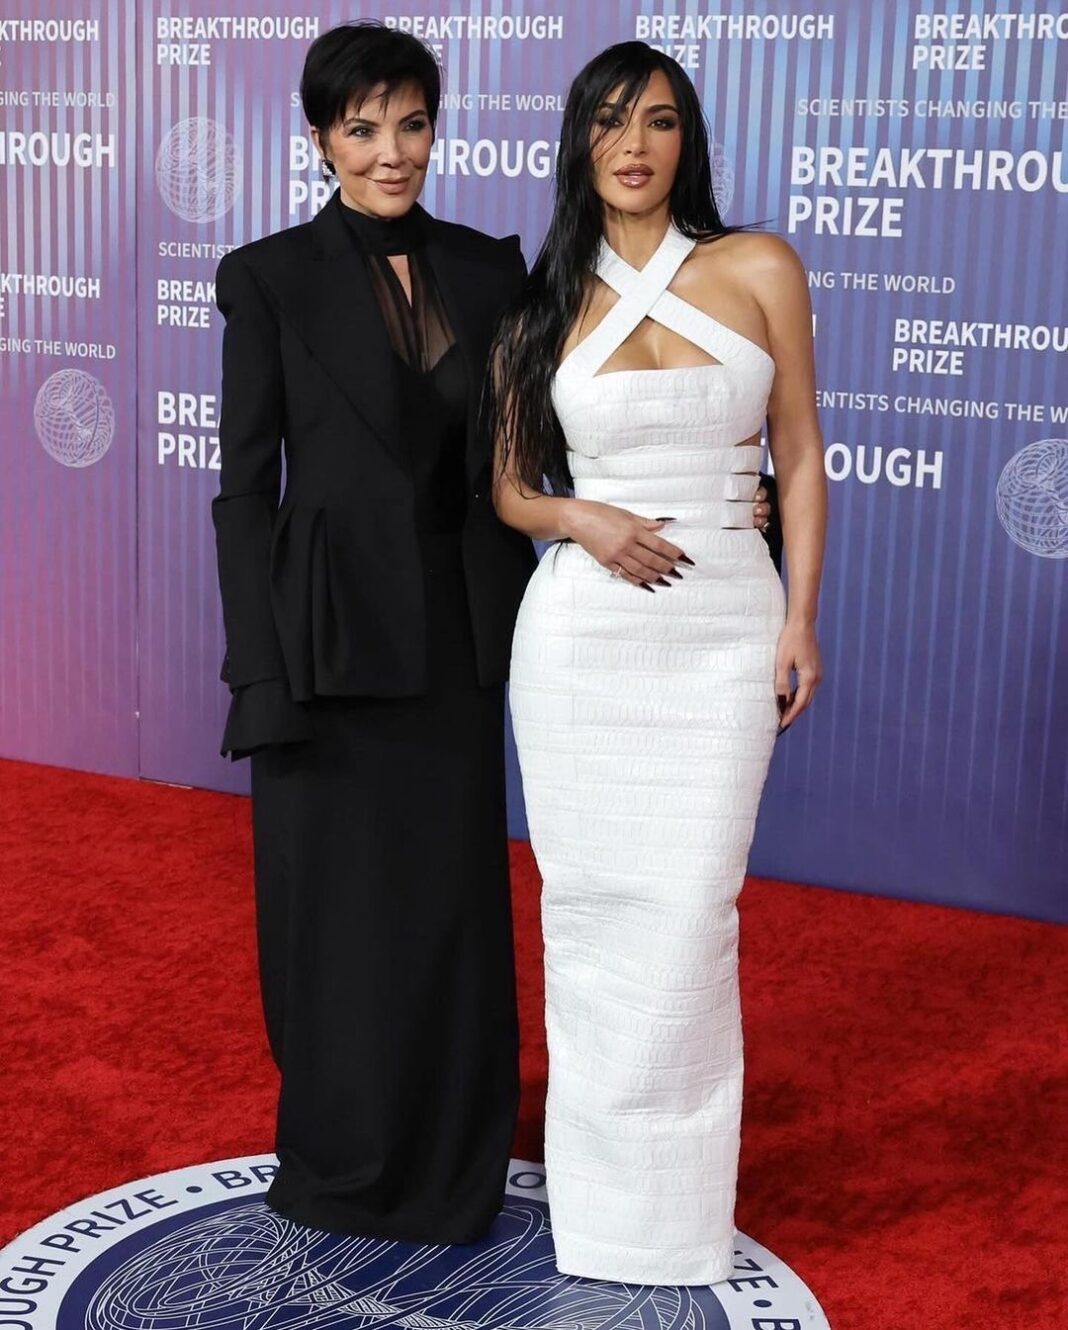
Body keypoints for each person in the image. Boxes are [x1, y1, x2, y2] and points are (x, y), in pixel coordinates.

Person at [491, 42, 826, 1285]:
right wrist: (584, 518)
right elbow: (514, 489)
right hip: (583, 638)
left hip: (723, 624)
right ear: (580, 143)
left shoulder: (757, 267)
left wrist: (798, 619)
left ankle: (676, 1216)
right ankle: (605, 1218)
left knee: (692, 908)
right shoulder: (544, 298)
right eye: (612, 123)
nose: (636, 145)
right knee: (588, 915)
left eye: (662, 122)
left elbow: (798, 453)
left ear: (689, 142)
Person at [211, 21, 536, 1243]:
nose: (391, 152)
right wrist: (258, 669)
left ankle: (457, 1156)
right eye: (363, 128)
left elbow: (541, 443)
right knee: (335, 912)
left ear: (435, 129)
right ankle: (346, 1154)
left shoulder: (491, 268)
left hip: (456, 636)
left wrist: (732, 485)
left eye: (411, 124)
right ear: (320, 139)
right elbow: (247, 488)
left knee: (448, 904)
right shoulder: (269, 276)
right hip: (325, 642)